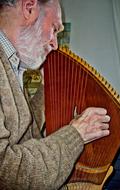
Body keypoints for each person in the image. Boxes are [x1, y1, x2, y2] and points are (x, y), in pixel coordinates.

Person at [0, 0, 110, 189]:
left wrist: (45, 89)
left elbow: (27, 132)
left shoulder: (13, 64)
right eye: (54, 28)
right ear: (28, 7)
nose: (55, 44)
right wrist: (76, 134)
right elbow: (7, 171)